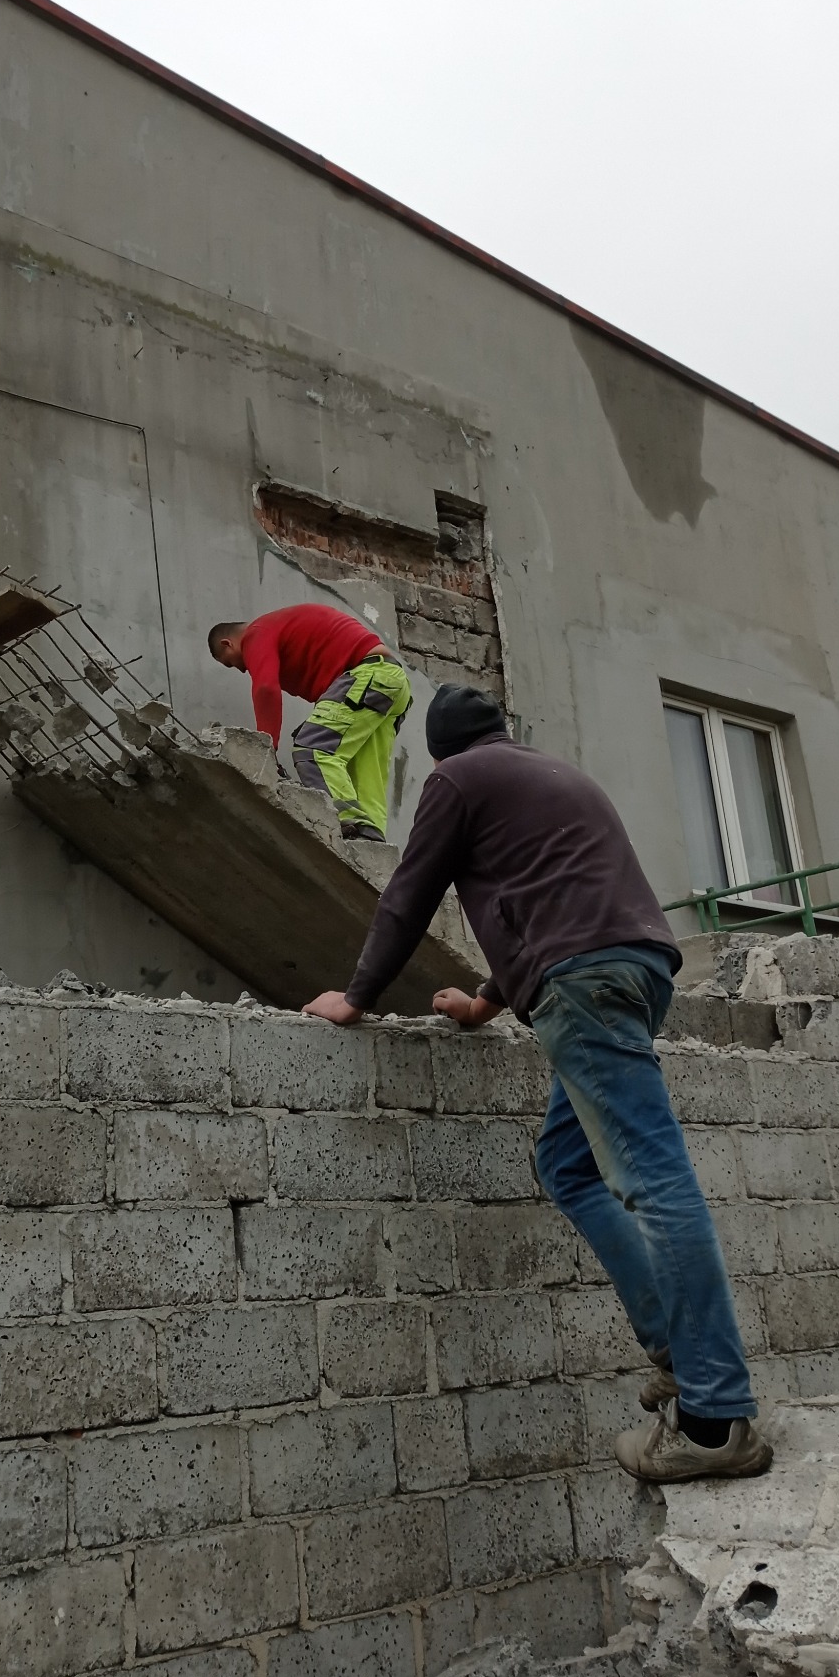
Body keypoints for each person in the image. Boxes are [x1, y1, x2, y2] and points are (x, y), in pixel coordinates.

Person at [301, 682, 772, 1483]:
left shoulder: (454, 780)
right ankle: (669, 1342)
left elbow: (408, 896)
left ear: (444, 750)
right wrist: (487, 1000)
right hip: (636, 970)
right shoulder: (554, 776)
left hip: (581, 986)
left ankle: (713, 1417)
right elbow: (553, 899)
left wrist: (357, 996)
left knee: (655, 1181)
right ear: (502, 730)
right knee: (567, 1164)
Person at [208, 604, 413, 842]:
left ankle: (348, 824)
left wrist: (266, 748)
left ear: (227, 644)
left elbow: (265, 688)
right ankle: (371, 840)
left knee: (312, 749)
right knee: (364, 773)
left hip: (367, 676)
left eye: (230, 663)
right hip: (390, 681)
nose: (241, 670)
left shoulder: (256, 633)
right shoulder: (277, 629)